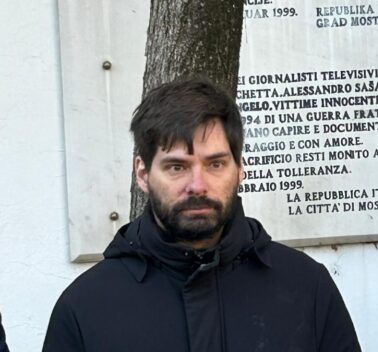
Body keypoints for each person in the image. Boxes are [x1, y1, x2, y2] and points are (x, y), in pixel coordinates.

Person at [43, 77, 361, 352]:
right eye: (177, 167)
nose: (198, 185)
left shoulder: (307, 287)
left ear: (240, 168)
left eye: (215, 164)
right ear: (142, 173)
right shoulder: (85, 307)